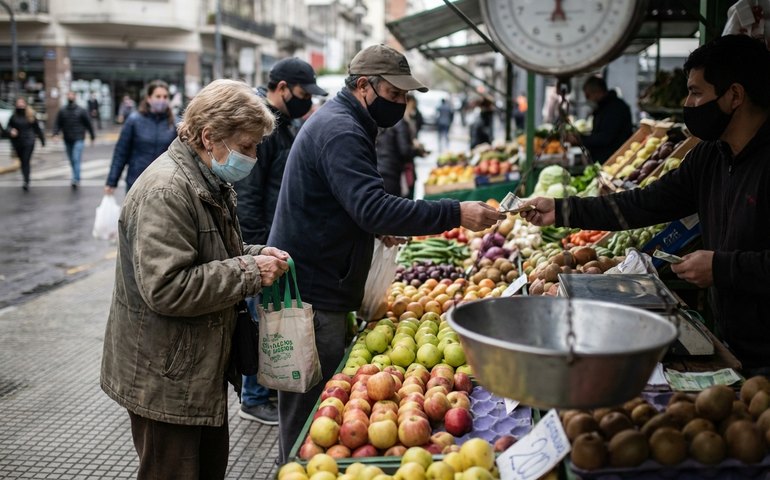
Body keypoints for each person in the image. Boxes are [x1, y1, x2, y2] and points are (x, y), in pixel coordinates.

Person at [267, 44, 504, 461]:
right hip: (314, 292)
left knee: (318, 411)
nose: (400, 104)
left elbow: (349, 202)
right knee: (310, 419)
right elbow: (372, 206)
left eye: (404, 96)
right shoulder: (341, 130)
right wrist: (456, 212)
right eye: (394, 94)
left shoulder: (346, 121)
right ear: (364, 86)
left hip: (320, 281)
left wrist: (373, 227)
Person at [520, 35, 770, 378]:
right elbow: (644, 203)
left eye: (696, 92)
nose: (687, 103)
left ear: (735, 96)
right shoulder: (711, 156)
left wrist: (722, 267)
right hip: (733, 343)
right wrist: (564, 210)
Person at [100, 79, 290, 480]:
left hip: (194, 369)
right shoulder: (167, 191)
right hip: (166, 375)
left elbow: (212, 252)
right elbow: (167, 287)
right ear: (209, 137)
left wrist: (257, 254)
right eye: (247, 146)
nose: (254, 157)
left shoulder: (207, 180)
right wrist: (250, 271)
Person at [233, 57, 327, 426]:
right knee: (262, 320)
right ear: (283, 88)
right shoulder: (262, 126)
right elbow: (249, 192)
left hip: (273, 238)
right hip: (261, 239)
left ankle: (267, 386)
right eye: (303, 93)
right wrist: (258, 249)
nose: (307, 101)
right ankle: (254, 398)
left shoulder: (283, 125)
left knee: (269, 317)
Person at [104, 80, 177, 193]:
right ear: (149, 98)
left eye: (165, 97)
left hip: (165, 185)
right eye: (158, 96)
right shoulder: (134, 120)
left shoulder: (174, 123)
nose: (162, 100)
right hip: (137, 183)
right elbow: (121, 153)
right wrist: (111, 181)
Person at [376, 95, 426, 198]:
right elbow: (405, 150)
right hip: (393, 171)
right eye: (412, 107)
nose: (413, 111)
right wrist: (417, 150)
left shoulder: (385, 119)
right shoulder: (401, 122)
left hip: (382, 168)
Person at [578, 76, 633, 163]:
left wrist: (580, 139)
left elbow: (605, 137)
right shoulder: (603, 107)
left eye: (588, 95)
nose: (587, 99)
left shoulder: (615, 108)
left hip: (614, 159)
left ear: (597, 92)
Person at [53, 91, 95, 189]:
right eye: (69, 95)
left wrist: (92, 136)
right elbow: (57, 123)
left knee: (76, 158)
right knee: (72, 159)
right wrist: (55, 134)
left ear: (75, 97)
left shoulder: (81, 110)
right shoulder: (62, 110)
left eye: (72, 95)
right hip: (67, 138)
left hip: (79, 138)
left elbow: (88, 124)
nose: (70, 96)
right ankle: (75, 176)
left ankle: (76, 179)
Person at [5, 97, 45, 191]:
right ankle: (25, 178)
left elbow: (37, 128)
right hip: (18, 142)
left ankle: (26, 181)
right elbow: (7, 128)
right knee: (22, 161)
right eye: (19, 103)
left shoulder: (30, 115)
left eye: (22, 102)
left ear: (25, 104)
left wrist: (42, 140)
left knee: (26, 160)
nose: (20, 104)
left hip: (29, 141)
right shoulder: (13, 116)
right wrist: (11, 131)